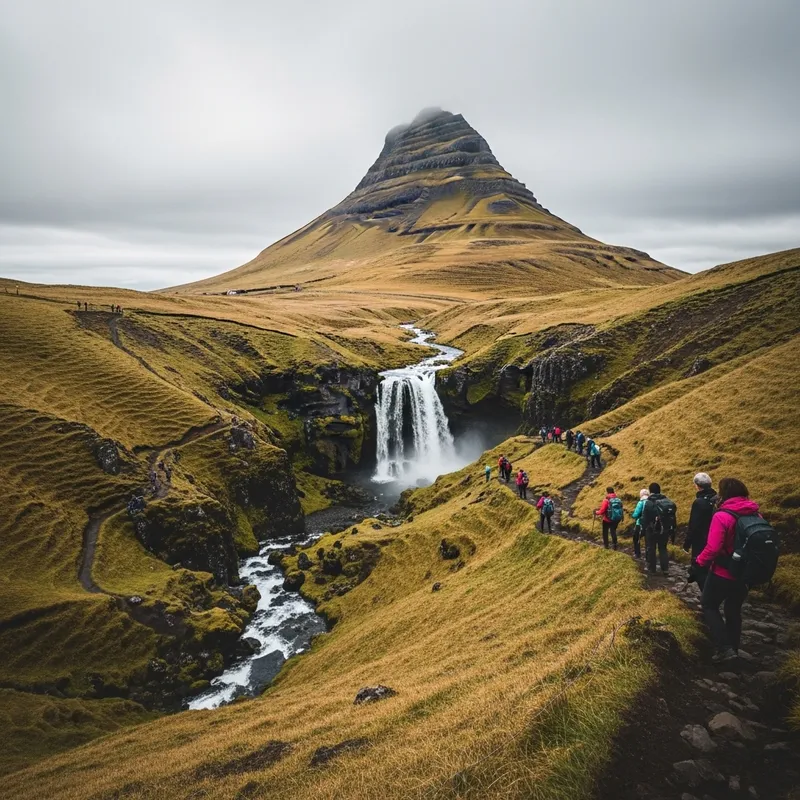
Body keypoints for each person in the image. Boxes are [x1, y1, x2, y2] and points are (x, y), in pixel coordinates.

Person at [695, 477, 758, 662]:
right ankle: (734, 648)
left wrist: (698, 562)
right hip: (745, 573)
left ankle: (724, 648)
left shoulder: (722, 515)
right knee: (733, 609)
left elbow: (713, 547)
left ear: (724, 494)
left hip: (723, 571)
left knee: (709, 604)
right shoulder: (755, 514)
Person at [683, 472, 718, 589]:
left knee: (700, 569)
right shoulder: (718, 499)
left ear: (697, 485)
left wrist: (687, 543)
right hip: (717, 538)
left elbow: (694, 525)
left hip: (701, 540)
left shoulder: (699, 502)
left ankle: (707, 596)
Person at [641, 482, 677, 575]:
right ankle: (665, 569)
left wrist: (643, 529)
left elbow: (645, 518)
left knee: (651, 548)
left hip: (651, 529)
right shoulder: (667, 502)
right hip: (664, 529)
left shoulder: (648, 503)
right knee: (663, 548)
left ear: (650, 492)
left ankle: (652, 569)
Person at [630, 488, 650, 558]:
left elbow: (636, 514)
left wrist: (633, 516)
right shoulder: (651, 502)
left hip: (640, 524)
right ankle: (648, 556)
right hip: (650, 524)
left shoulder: (641, 502)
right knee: (648, 541)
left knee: (636, 538)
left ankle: (637, 554)